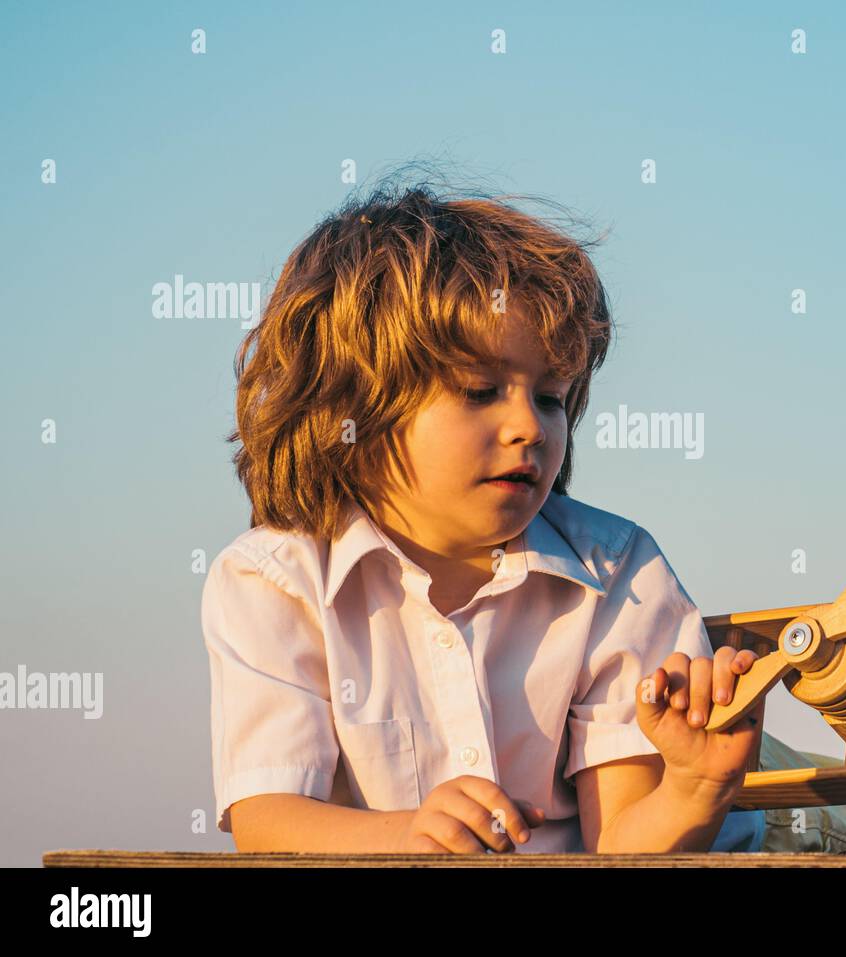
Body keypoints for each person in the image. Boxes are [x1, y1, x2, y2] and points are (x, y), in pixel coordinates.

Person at [203, 176, 768, 854]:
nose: (529, 426)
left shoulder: (619, 571)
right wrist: (409, 837)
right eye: (481, 391)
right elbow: (268, 826)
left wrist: (693, 790)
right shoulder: (273, 579)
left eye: (553, 398)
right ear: (350, 408)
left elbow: (623, 844)